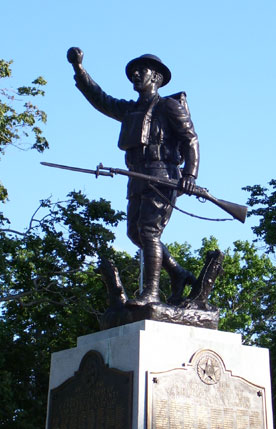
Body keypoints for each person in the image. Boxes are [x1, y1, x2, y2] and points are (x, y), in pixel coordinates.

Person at [67, 48, 200, 306]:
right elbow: (100, 99)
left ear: (157, 77)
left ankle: (150, 294)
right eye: (133, 72)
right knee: (134, 233)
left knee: (149, 231)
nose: (136, 75)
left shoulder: (169, 106)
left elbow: (191, 138)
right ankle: (177, 272)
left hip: (162, 174)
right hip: (136, 175)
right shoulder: (129, 110)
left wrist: (190, 174)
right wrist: (79, 70)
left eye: (142, 70)